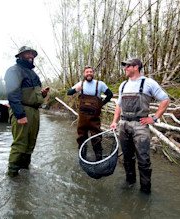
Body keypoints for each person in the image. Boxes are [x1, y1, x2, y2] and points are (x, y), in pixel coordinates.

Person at [109, 58, 170, 193]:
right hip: (124, 124)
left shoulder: (148, 83)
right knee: (127, 157)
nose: (125, 68)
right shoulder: (123, 85)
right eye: (124, 66)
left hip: (140, 125)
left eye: (127, 66)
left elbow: (165, 100)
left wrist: (154, 118)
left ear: (136, 67)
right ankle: (130, 183)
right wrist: (115, 121)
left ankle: (145, 189)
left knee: (143, 159)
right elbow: (119, 105)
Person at [4, 46, 50, 177]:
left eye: (32, 54)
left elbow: (35, 95)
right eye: (28, 53)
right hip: (22, 110)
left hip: (34, 112)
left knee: (30, 144)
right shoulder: (13, 70)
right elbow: (13, 94)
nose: (31, 56)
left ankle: (24, 171)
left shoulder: (34, 74)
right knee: (20, 144)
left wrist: (43, 94)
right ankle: (12, 175)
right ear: (20, 56)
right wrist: (20, 115)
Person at [67, 66, 113, 161]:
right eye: (87, 72)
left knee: (96, 138)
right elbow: (69, 92)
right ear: (84, 74)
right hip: (82, 119)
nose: (89, 73)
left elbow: (110, 94)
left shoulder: (100, 84)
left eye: (90, 72)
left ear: (93, 73)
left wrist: (102, 104)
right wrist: (76, 89)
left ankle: (98, 159)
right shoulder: (80, 84)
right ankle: (82, 158)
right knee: (81, 138)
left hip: (94, 118)